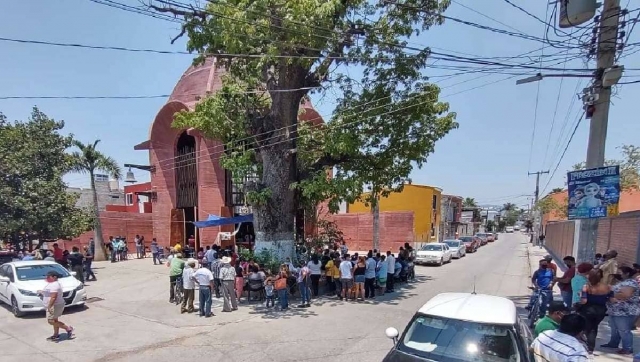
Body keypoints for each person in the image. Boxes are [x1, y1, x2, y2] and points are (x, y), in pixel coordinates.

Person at [601, 266, 640, 355]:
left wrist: (610, 294)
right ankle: (613, 343)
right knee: (614, 328)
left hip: (625, 312)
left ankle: (627, 348)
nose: (619, 274)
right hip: (615, 310)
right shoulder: (622, 282)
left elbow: (625, 295)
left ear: (627, 273)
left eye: (621, 272)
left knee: (624, 330)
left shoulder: (631, 283)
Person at [577, 269, 611, 353]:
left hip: (588, 310)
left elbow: (584, 301)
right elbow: (612, 299)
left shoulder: (586, 287)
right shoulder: (607, 287)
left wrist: (580, 295)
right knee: (593, 328)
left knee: (586, 328)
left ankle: (585, 346)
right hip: (601, 310)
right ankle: (591, 348)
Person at [38, 271, 74, 342]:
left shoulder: (54, 285)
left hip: (54, 305)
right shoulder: (51, 284)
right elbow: (49, 292)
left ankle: (68, 328)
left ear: (54, 277)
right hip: (54, 305)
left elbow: (53, 297)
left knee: (51, 321)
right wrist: (42, 292)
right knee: (55, 320)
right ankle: (56, 334)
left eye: (49, 277)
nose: (47, 278)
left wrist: (49, 306)